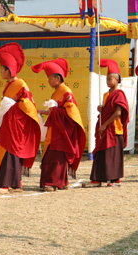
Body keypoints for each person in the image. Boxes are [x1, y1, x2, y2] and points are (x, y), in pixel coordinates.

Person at [0, 43, 40, 194]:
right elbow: (5, 106)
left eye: (1, 69)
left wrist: (13, 107)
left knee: (10, 153)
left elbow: (28, 104)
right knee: (7, 152)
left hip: (15, 125)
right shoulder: (9, 85)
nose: (0, 71)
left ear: (8, 70)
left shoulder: (20, 84)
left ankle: (6, 185)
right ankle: (15, 184)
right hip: (7, 124)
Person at [32, 58, 86, 191]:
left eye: (50, 78)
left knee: (55, 158)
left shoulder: (66, 91)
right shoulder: (56, 92)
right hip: (55, 130)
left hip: (62, 131)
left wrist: (54, 110)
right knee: (52, 157)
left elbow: (71, 113)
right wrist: (44, 112)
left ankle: (52, 183)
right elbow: (56, 111)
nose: (48, 81)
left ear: (57, 78)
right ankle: (62, 182)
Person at [86, 59, 129, 187]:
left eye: (110, 79)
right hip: (105, 129)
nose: (108, 81)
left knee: (112, 157)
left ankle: (115, 180)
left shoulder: (119, 94)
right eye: (107, 79)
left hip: (114, 129)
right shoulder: (106, 94)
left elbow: (118, 113)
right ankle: (97, 179)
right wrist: (102, 109)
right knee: (101, 153)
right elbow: (108, 110)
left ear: (117, 80)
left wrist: (104, 125)